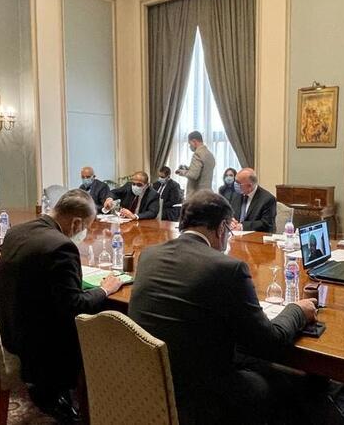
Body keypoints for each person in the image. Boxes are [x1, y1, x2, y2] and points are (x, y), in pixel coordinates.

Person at [129, 190, 322, 424]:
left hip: (151, 380)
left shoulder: (149, 255)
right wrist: (297, 310)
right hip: (202, 394)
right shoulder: (228, 268)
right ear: (222, 228)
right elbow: (268, 343)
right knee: (290, 384)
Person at [0, 189, 123, 422]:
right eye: (86, 227)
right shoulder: (61, 246)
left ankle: (47, 391)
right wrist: (105, 289)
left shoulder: (16, 231)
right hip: (42, 345)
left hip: (10, 329)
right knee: (110, 328)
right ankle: (75, 400)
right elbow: (75, 305)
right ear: (76, 223)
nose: (84, 232)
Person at [229, 168, 277, 233]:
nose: (235, 185)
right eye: (235, 182)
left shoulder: (268, 199)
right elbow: (230, 214)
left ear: (249, 186)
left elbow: (266, 223)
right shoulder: (236, 195)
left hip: (256, 236)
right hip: (235, 235)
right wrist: (230, 220)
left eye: (238, 183)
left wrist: (242, 226)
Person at [175, 131, 216, 198]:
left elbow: (193, 175)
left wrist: (182, 172)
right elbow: (203, 172)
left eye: (189, 143)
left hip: (196, 196)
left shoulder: (198, 154)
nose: (189, 146)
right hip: (207, 194)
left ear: (194, 141)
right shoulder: (210, 155)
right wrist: (189, 169)